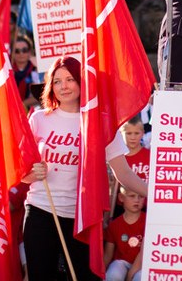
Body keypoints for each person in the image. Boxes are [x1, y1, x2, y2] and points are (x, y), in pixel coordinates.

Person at [22, 56, 148, 280]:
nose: (63, 86)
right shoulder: (38, 119)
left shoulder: (101, 122)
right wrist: (31, 174)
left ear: (82, 82)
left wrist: (159, 196)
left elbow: (124, 173)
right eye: (57, 81)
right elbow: (20, 172)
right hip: (41, 211)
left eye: (70, 79)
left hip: (82, 218)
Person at [104, 186, 146, 281]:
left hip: (142, 265)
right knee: (114, 274)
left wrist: (129, 276)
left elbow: (143, 255)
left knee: (140, 278)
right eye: (132, 196)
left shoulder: (149, 222)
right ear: (121, 197)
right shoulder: (114, 225)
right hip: (121, 263)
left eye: (141, 196)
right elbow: (107, 255)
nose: (137, 200)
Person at [11, 35, 41, 109]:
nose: (21, 54)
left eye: (24, 50)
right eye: (17, 51)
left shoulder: (36, 68)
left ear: (30, 52)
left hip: (33, 110)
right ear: (12, 53)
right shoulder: (7, 69)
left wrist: (22, 104)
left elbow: (40, 94)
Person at [121, 115, 150, 182]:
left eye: (136, 133)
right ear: (121, 133)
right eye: (129, 133)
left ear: (143, 133)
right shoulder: (117, 159)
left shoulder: (151, 157)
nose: (133, 137)